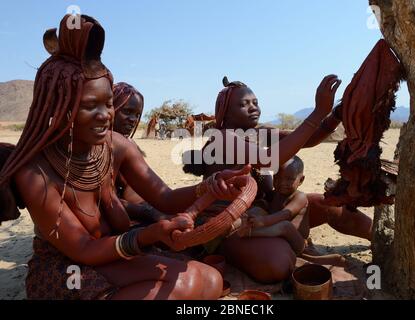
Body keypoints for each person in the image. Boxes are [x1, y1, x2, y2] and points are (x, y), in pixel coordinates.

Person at [0, 15, 248, 300]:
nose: (105, 115)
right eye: (90, 106)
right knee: (184, 286)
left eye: (107, 103)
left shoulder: (115, 146)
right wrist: (149, 235)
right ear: (62, 107)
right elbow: (83, 249)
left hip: (112, 248)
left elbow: (164, 198)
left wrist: (209, 186)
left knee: (210, 280)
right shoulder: (36, 173)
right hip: (69, 268)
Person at [184, 76, 372, 283]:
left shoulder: (259, 134)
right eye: (243, 104)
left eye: (255, 102)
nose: (253, 107)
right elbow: (268, 159)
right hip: (230, 226)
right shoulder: (221, 139)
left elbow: (308, 139)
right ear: (225, 112)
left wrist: (336, 113)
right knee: (278, 264)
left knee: (331, 206)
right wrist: (318, 111)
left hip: (267, 214)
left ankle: (382, 238)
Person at [112, 82, 169, 225]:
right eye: (127, 111)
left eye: (137, 115)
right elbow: (103, 202)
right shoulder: (98, 148)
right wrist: (149, 213)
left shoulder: (129, 144)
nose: (133, 120)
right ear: (109, 108)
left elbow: (157, 192)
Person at [237, 156, 309, 255]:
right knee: (257, 209)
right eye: (277, 177)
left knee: (285, 225)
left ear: (301, 180)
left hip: (296, 242)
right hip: (277, 237)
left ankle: (248, 233)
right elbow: (262, 203)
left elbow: (285, 214)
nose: (282, 183)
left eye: (289, 179)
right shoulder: (275, 194)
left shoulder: (300, 197)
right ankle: (236, 226)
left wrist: (263, 221)